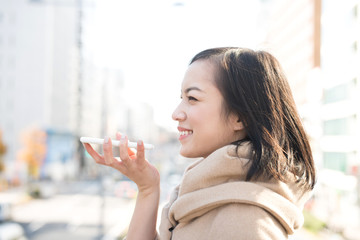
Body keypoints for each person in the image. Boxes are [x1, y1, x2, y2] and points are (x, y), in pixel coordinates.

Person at [83, 47, 316, 240]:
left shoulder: (244, 223)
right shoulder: (206, 193)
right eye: (181, 98)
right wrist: (147, 189)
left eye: (192, 98)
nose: (176, 114)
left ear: (240, 116)